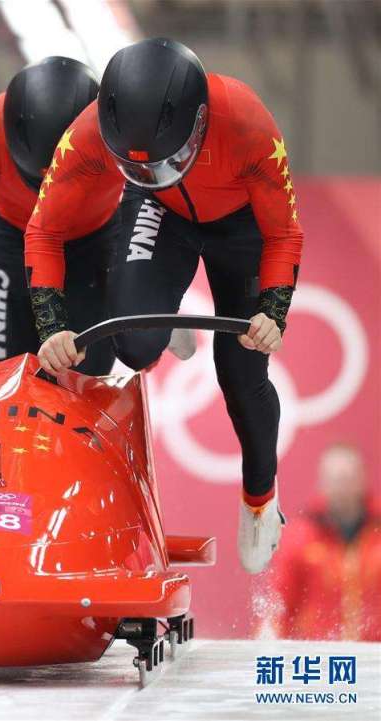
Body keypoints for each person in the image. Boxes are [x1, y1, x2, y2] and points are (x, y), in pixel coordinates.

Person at [25, 38, 304, 573]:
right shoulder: (85, 136)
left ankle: (261, 499)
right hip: (159, 212)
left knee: (241, 373)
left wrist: (274, 309)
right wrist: (51, 324)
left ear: (199, 125)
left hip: (243, 227)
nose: (155, 169)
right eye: (139, 165)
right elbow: (44, 229)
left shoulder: (247, 122)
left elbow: (285, 232)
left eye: (167, 160)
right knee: (133, 343)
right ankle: (165, 318)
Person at [0, 56, 117, 374]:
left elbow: (154, 206)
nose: (50, 192)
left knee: (85, 376)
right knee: (4, 374)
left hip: (91, 244)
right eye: (40, 179)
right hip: (12, 241)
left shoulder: (117, 135)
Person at [267, 443, 381, 641]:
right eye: (335, 480)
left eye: (348, 479)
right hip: (322, 655)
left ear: (362, 479)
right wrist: (268, 645)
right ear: (322, 483)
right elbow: (280, 603)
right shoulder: (300, 538)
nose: (342, 488)